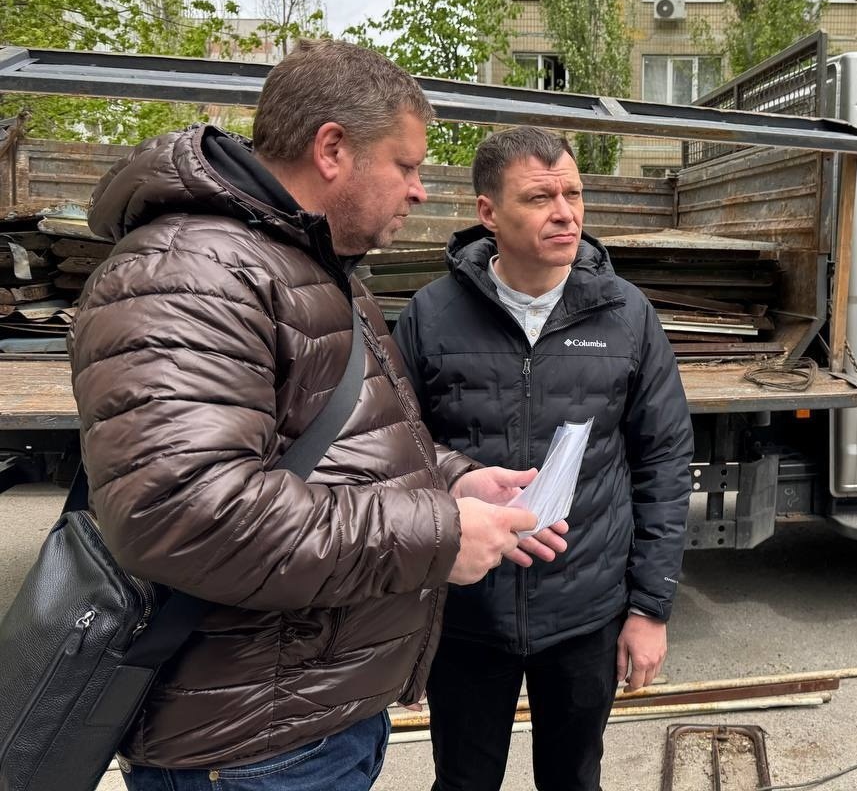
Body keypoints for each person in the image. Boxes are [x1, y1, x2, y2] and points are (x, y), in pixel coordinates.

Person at [69, 40, 551, 791]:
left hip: (302, 714)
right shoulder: (193, 275)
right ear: (332, 149)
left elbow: (340, 439)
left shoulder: (307, 264)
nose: (420, 191)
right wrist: (440, 533)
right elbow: (186, 513)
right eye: (406, 165)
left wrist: (452, 480)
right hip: (249, 749)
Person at [394, 125, 694, 791]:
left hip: (586, 610)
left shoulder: (626, 314)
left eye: (573, 194)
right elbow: (395, 451)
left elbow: (665, 462)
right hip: (470, 611)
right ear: (488, 212)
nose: (565, 213)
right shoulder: (431, 316)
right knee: (464, 783)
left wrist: (650, 609)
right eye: (539, 197)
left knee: (574, 780)